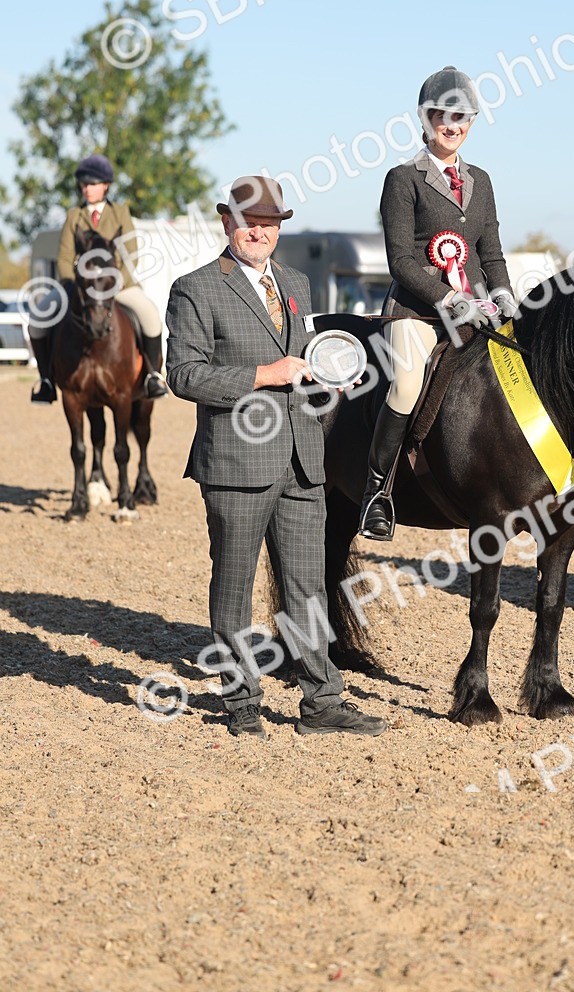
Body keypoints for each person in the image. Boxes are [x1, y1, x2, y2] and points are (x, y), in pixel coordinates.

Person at [165, 174, 387, 739]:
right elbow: (185, 375)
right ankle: (241, 702)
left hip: (302, 457)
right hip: (236, 463)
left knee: (308, 586)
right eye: (249, 222)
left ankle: (321, 701)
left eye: (270, 223)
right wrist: (267, 375)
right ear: (228, 224)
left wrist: (327, 381)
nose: (260, 231)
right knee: (235, 586)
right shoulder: (195, 289)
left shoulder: (296, 283)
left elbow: (302, 361)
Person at [359, 65, 515, 541]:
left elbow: (490, 249)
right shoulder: (403, 178)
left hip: (475, 309)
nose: (452, 124)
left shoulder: (482, 180)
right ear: (425, 118)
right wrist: (447, 297)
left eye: (462, 117)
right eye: (442, 115)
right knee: (406, 385)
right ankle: (377, 492)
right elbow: (401, 261)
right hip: (417, 309)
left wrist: (503, 293)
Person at [29, 154, 168, 403]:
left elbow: (131, 253)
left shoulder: (120, 213)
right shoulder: (74, 216)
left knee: (150, 315)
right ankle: (46, 380)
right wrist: (75, 285)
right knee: (39, 318)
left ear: (105, 185)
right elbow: (64, 257)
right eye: (83, 184)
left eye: (92, 183)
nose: (86, 188)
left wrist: (115, 285)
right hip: (79, 288)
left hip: (118, 285)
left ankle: (153, 376)